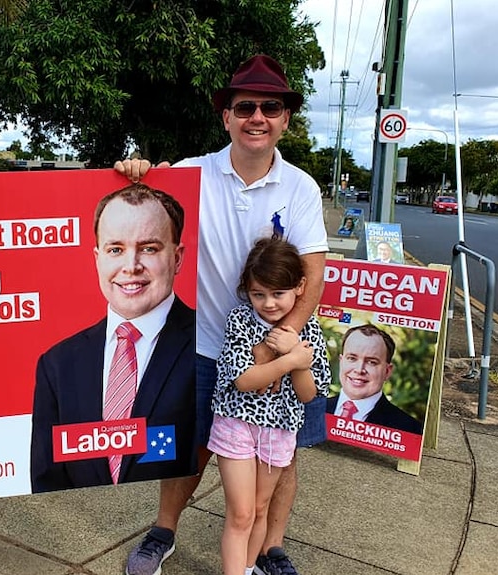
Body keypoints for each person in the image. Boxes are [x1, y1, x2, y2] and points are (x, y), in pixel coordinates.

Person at [115, 53, 328, 575]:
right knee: (190, 450)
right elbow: (135, 209)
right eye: (245, 106)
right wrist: (135, 174)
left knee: (282, 452)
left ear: (285, 119)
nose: (258, 117)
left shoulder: (301, 187)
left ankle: (270, 549)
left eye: (270, 107)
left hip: (278, 344)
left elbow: (313, 273)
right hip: (204, 345)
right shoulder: (190, 175)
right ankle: (163, 532)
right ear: (226, 117)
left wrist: (282, 341)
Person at [31, 183, 196, 492]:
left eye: (149, 248)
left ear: (177, 257)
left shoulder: (205, 344)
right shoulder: (57, 364)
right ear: (98, 258)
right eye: (115, 249)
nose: (130, 267)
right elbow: (47, 478)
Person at [210, 237, 330, 575]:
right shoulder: (240, 321)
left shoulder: (309, 330)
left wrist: (302, 363)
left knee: (261, 508)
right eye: (258, 294)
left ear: (299, 287)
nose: (268, 303)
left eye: (278, 293)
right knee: (242, 513)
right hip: (236, 423)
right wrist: (290, 358)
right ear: (246, 290)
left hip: (279, 429)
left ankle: (249, 567)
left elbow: (309, 394)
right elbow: (244, 380)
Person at [327, 324, 423, 434]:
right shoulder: (310, 410)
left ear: (387, 371)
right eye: (352, 358)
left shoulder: (410, 429)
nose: (359, 370)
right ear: (341, 361)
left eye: (371, 362)